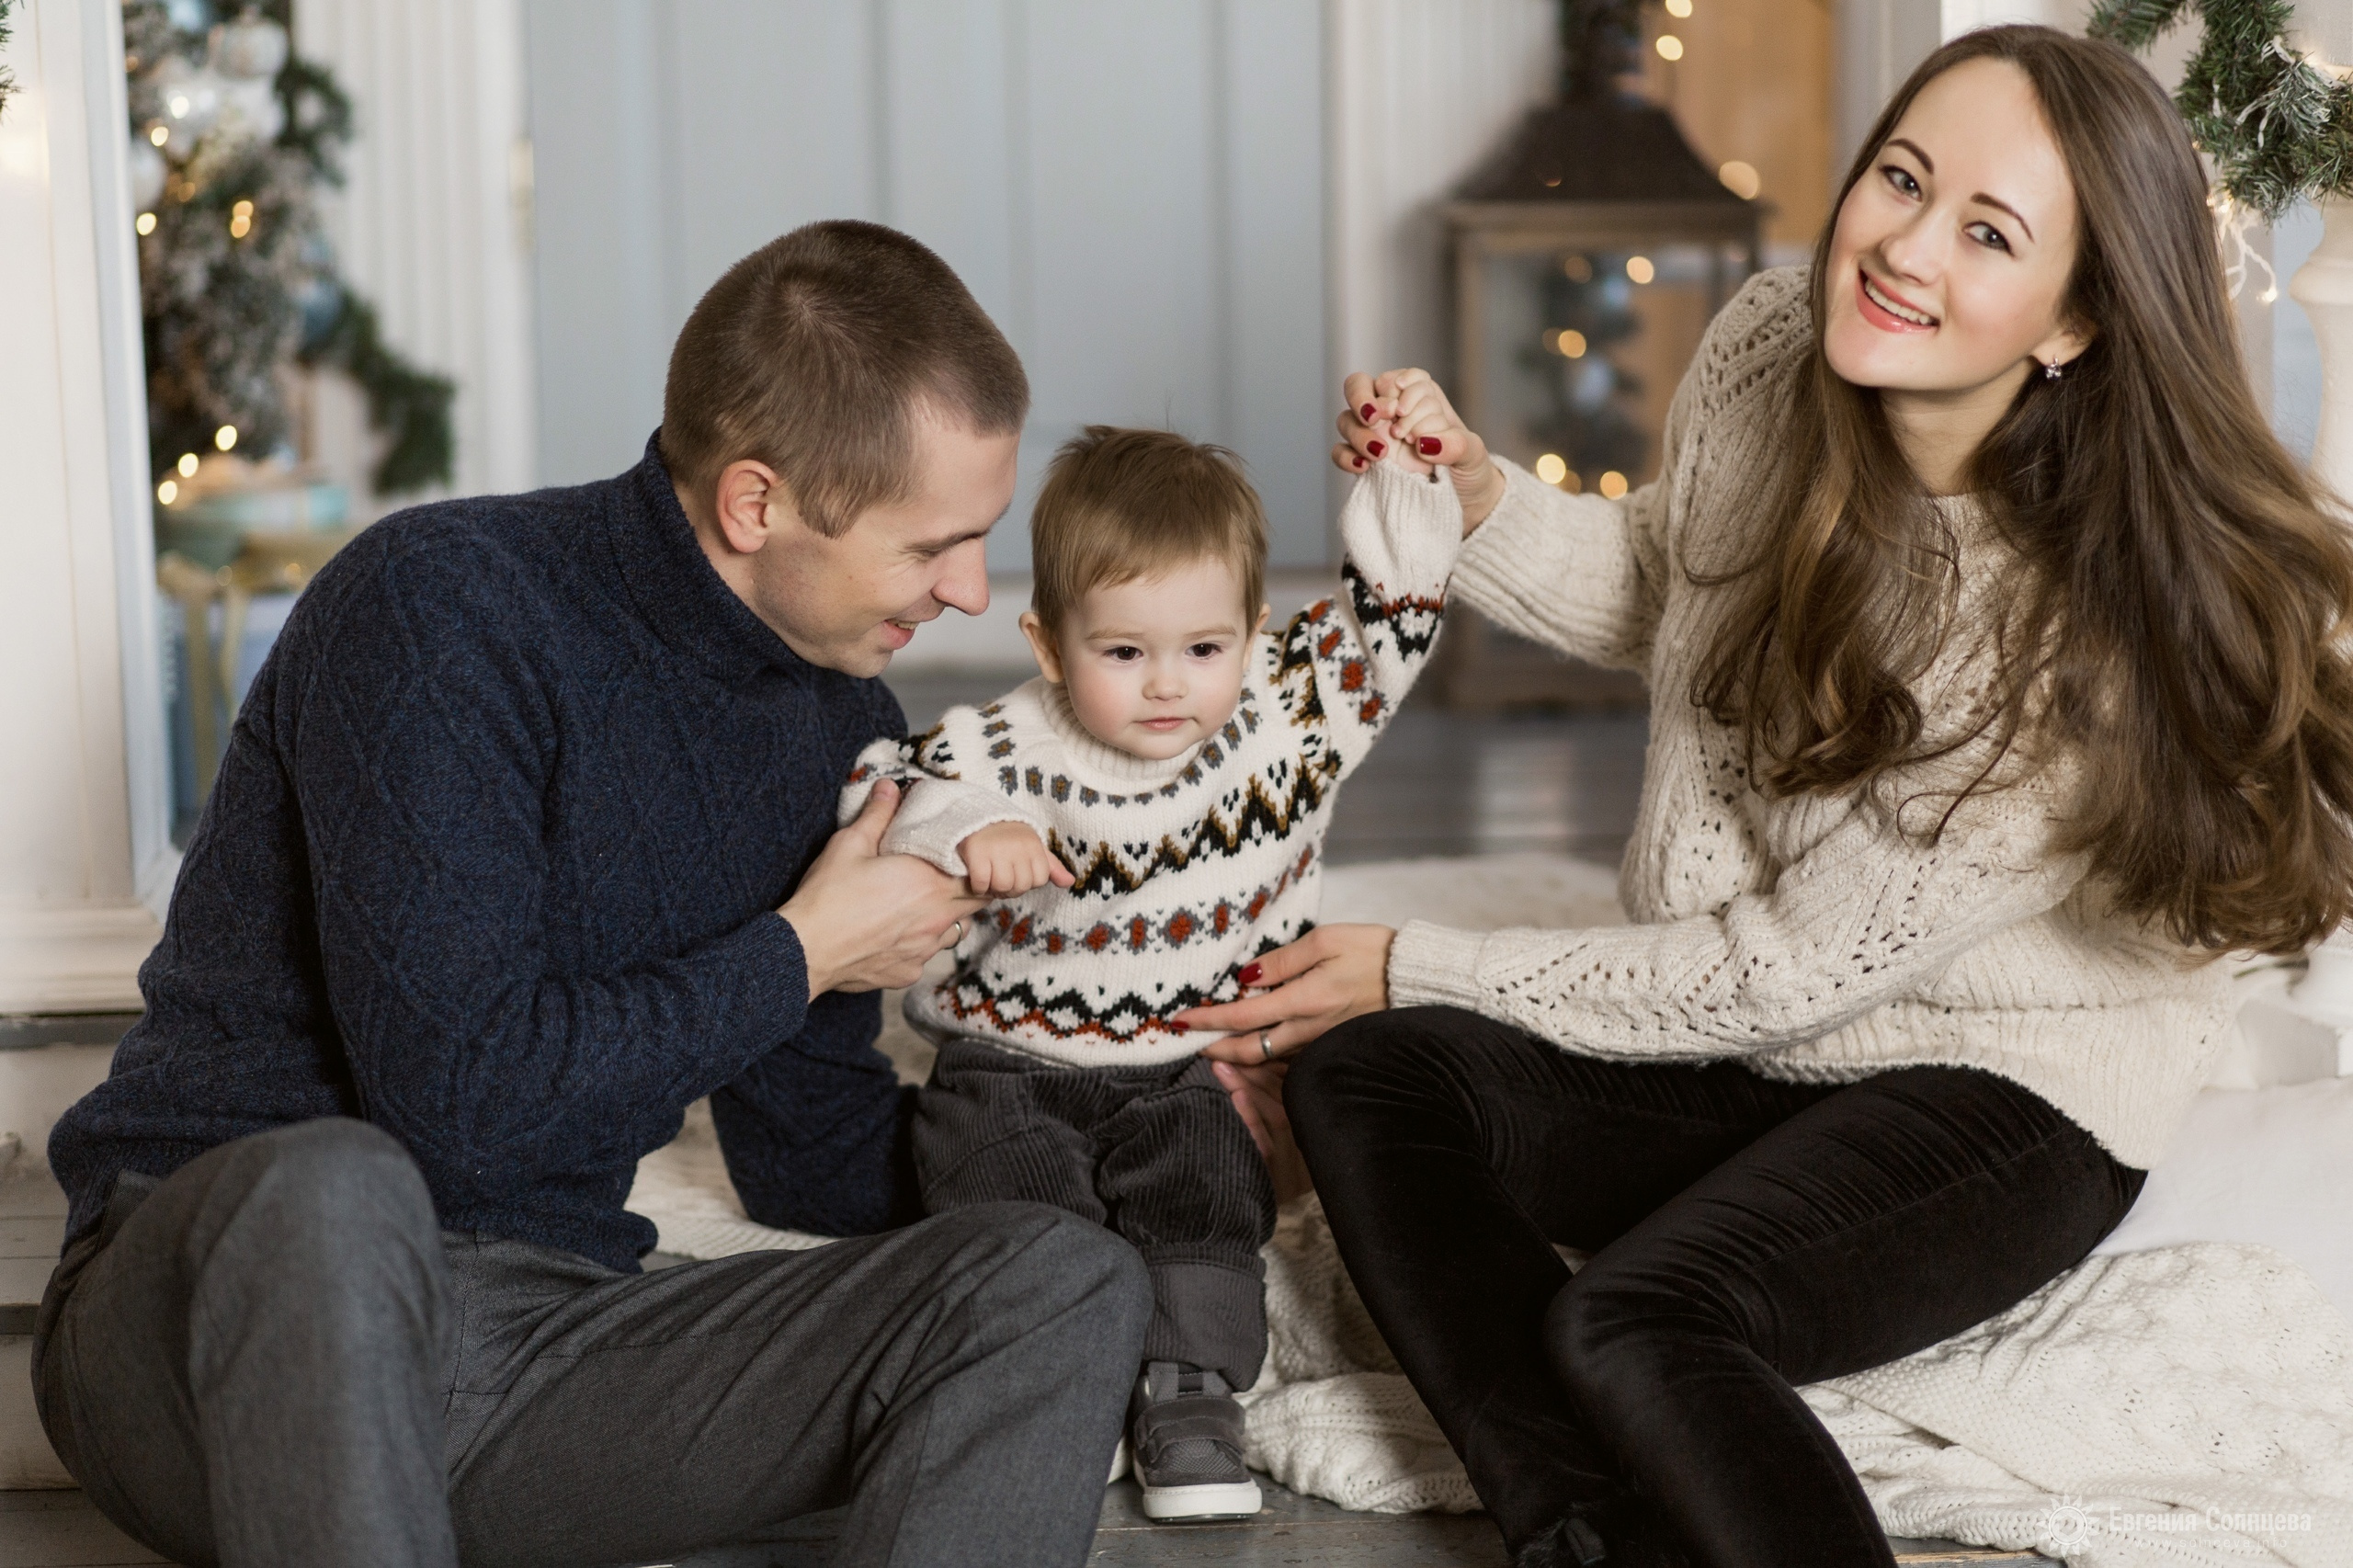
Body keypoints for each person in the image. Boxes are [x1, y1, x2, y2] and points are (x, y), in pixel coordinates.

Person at [1180, 27, 2353, 1568]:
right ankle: (1587, 1536)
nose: (1904, 247)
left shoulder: (2072, 635)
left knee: (1637, 1320)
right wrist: (1475, 497)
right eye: (1902, 179)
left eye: (1986, 233)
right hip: (1756, 1045)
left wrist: (1416, 955)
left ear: (2073, 317)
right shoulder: (1763, 347)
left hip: (1997, 1086)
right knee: (1371, 1080)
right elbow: (1678, 592)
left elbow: (1785, 964)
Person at [34, 221, 1155, 1568]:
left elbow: (809, 1151)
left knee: (1054, 1279)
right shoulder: (441, 609)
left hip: (534, 1348)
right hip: (219, 1318)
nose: (974, 592)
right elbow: (460, 1098)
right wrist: (802, 949)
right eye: (935, 547)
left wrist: (1108, 1111)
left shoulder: (837, 722)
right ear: (756, 504)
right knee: (338, 1188)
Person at [838, 425, 1459, 1522]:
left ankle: (1188, 1390)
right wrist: (970, 827)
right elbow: (887, 788)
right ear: (1047, 643)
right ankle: (1046, 1385)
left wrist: (1401, 471)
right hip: (1010, 1063)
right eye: (1122, 653)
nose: (1167, 685)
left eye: (1203, 650)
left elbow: (1393, 617)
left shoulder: (1287, 719)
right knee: (1012, 1198)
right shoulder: (1005, 745)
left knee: (1205, 1197)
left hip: (1186, 1064)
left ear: (1256, 635)